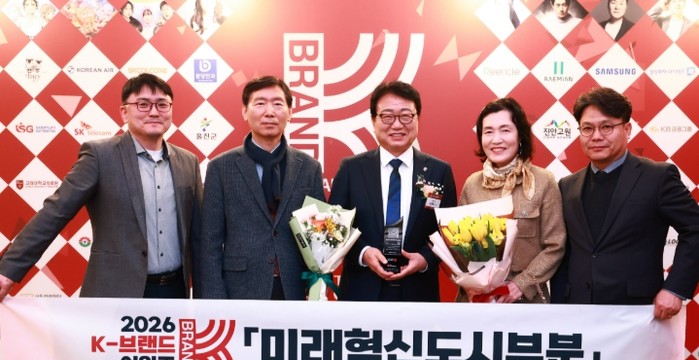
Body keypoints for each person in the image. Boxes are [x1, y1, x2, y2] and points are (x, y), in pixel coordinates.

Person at [0, 73, 203, 301]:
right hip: (115, 293)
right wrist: (7, 271)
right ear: (124, 112)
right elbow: (55, 212)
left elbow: (199, 236)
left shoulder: (188, 161)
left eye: (162, 104)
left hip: (175, 293)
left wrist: (207, 297)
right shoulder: (100, 155)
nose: (154, 112)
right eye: (143, 104)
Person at [551, 87, 699, 319]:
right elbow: (564, 253)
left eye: (607, 127)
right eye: (587, 128)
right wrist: (557, 309)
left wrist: (675, 289)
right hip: (577, 314)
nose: (596, 136)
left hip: (638, 314)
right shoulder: (567, 185)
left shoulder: (658, 177)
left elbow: (695, 229)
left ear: (627, 129)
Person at [328, 81, 457, 302]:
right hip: (362, 292)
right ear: (373, 120)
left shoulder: (439, 171)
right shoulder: (351, 169)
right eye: (387, 116)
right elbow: (334, 227)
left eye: (406, 116)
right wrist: (363, 253)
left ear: (418, 119)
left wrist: (425, 259)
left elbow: (448, 232)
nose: (397, 125)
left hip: (418, 293)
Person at [201, 75, 324, 300]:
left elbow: (319, 237)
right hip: (240, 288)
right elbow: (209, 241)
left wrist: (317, 291)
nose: (269, 112)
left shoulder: (309, 167)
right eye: (259, 103)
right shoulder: (220, 167)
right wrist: (215, 300)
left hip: (294, 288)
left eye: (278, 104)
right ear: (244, 111)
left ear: (290, 112)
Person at [457, 98, 565, 303]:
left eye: (505, 130)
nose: (496, 139)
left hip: (525, 302)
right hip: (478, 301)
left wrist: (520, 285)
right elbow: (459, 248)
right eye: (488, 132)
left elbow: (555, 245)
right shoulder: (472, 184)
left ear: (520, 135)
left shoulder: (543, 181)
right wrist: (471, 284)